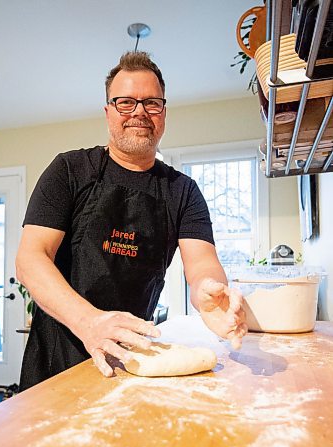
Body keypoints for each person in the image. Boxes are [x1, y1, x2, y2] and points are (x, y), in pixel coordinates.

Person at [16, 51, 247, 391]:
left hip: (134, 363)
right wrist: (90, 322)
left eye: (151, 103)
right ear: (108, 112)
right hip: (55, 362)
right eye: (125, 102)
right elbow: (30, 259)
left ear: (163, 113)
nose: (139, 111)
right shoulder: (69, 171)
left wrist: (209, 296)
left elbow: (202, 268)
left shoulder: (183, 192)